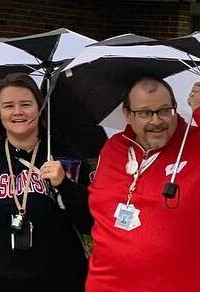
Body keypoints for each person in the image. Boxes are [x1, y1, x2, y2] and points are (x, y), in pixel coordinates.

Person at [0, 73, 92, 292]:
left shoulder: (66, 158)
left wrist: (65, 185)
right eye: (9, 105)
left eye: (26, 104)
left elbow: (89, 223)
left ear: (40, 109)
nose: (18, 112)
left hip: (62, 282)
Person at [85, 78, 200, 291]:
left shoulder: (195, 143)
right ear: (127, 114)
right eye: (145, 113)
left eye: (165, 110)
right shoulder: (113, 147)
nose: (156, 121)